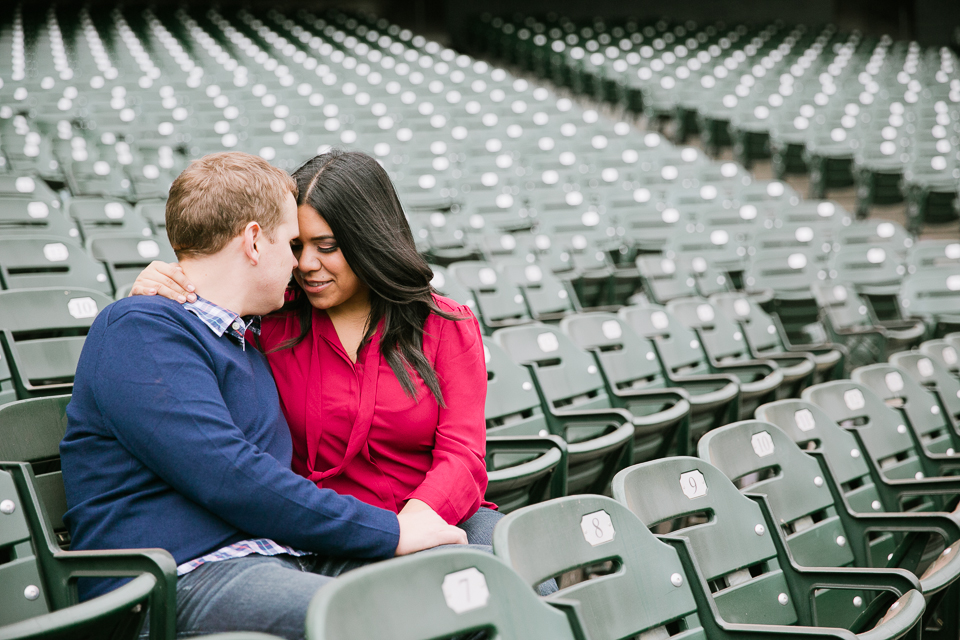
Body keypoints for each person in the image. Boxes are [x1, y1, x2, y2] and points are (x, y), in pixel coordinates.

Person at [61, 151, 467, 640]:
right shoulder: (140, 328)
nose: (299, 264)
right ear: (255, 241)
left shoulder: (246, 338)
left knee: (456, 590)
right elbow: (230, 475)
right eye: (293, 244)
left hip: (282, 557)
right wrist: (392, 532)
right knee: (372, 617)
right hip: (178, 579)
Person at [133, 150, 503, 546]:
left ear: (369, 241)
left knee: (521, 567)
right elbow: (197, 319)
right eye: (296, 246)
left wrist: (413, 525)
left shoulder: (445, 324)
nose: (306, 263)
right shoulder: (268, 320)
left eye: (326, 246)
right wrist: (167, 285)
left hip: (438, 515)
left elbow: (462, 455)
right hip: (332, 532)